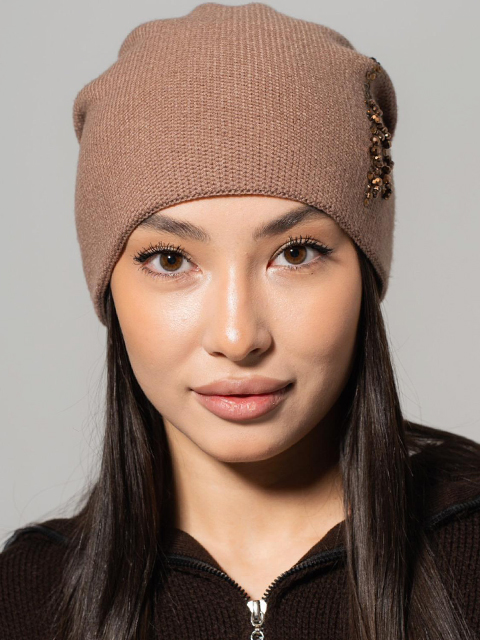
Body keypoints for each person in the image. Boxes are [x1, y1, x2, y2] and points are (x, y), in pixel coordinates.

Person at [1, 3, 479, 640]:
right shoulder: (25, 596)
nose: (237, 337)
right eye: (170, 260)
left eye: (296, 254)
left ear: (365, 274)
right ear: (108, 287)